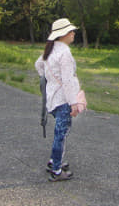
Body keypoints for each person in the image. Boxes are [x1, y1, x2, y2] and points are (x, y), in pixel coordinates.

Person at [35, 18, 82, 182]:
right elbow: (68, 81)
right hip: (63, 100)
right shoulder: (65, 53)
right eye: (71, 31)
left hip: (52, 98)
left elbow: (38, 65)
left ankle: (55, 161)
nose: (73, 34)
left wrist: (48, 79)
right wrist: (74, 103)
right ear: (63, 34)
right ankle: (56, 169)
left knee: (60, 133)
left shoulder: (51, 49)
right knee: (61, 134)